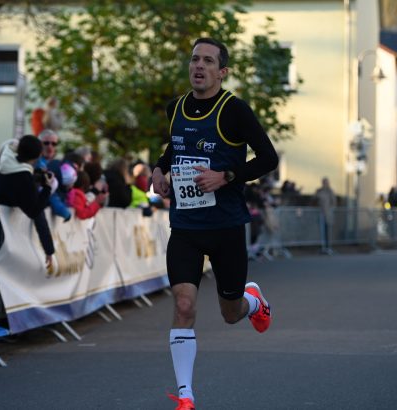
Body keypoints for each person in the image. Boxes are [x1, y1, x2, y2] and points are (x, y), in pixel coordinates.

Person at [151, 38, 279, 410]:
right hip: (186, 228)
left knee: (229, 313)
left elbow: (268, 158)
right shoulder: (175, 108)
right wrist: (159, 169)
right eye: (195, 59)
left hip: (225, 227)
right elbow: (175, 147)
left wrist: (227, 175)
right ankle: (186, 395)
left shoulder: (234, 110)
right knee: (184, 305)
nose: (199, 66)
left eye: (208, 61)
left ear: (222, 72)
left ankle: (252, 302)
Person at [0, 136, 56, 267]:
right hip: (0, 235)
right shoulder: (24, 178)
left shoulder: (4, 159)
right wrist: (47, 187)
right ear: (38, 156)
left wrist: (34, 175)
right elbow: (34, 211)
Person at [314, 177, 337, 254]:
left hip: (328, 214)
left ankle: (328, 247)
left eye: (327, 182)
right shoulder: (319, 191)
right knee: (322, 231)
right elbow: (314, 199)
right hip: (320, 213)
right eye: (324, 182)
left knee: (328, 231)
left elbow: (334, 202)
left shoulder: (330, 191)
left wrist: (331, 210)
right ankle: (323, 247)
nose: (325, 184)